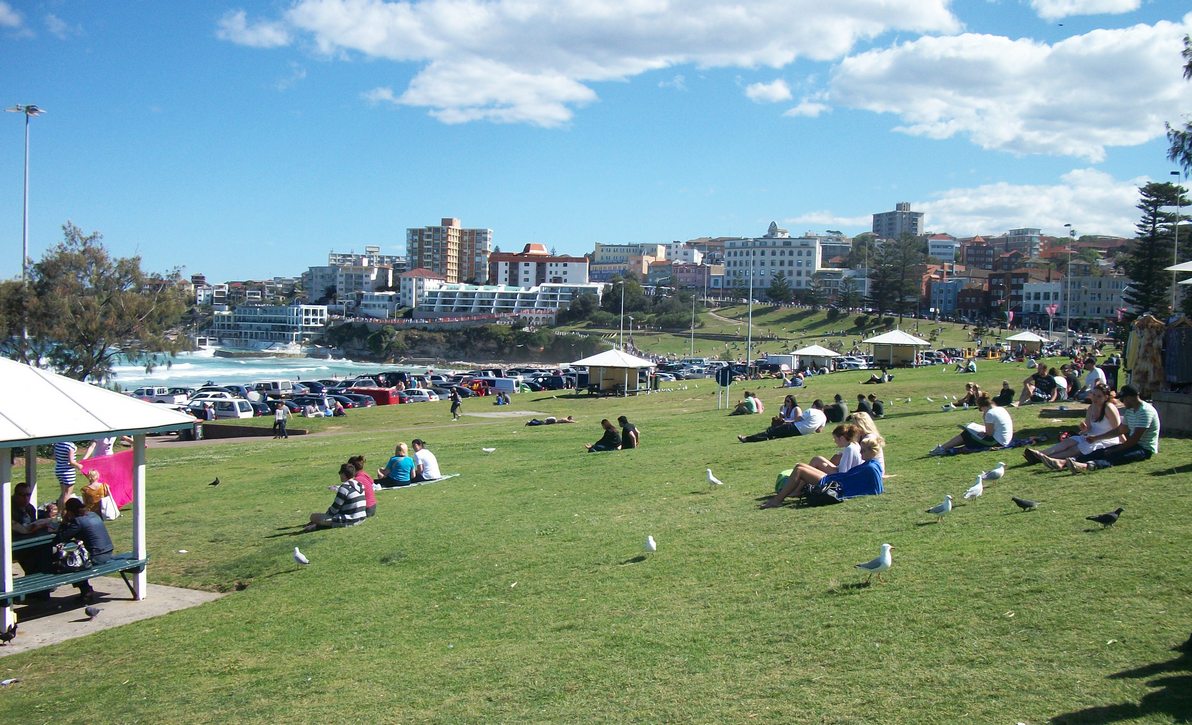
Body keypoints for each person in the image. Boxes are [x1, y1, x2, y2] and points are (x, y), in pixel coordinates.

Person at [1033, 384, 1159, 473]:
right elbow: (1120, 430)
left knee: (1113, 457)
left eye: (1124, 399)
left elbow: (1135, 439)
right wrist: (1097, 438)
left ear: (1131, 397)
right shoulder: (1131, 411)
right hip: (1131, 445)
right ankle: (1065, 463)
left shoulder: (1145, 411)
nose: (1122, 401)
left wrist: (1117, 448)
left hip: (1144, 449)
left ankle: (1086, 466)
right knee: (1100, 452)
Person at [761, 436, 885, 508]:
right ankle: (789, 493)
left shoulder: (870, 468)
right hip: (837, 480)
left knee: (799, 469)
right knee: (800, 465)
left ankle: (777, 500)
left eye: (863, 451)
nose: (860, 453)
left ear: (871, 452)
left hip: (834, 485)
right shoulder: (872, 464)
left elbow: (873, 489)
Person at [1025, 383, 1122, 465]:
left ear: (1106, 397)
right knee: (1067, 442)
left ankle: (1042, 458)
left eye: (1099, 396)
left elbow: (1118, 430)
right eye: (1094, 395)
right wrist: (1084, 429)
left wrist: (1123, 444)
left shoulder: (1109, 408)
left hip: (1106, 440)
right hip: (1091, 437)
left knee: (1074, 449)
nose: (1095, 398)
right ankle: (1039, 454)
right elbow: (1088, 428)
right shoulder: (1091, 408)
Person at [55, 497, 115, 603]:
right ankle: (86, 589)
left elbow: (61, 537)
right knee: (77, 559)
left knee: (72, 564)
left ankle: (86, 590)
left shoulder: (77, 521)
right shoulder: (93, 515)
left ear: (69, 511)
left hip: (97, 556)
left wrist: (64, 522)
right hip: (108, 551)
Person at [930, 394, 1013, 455]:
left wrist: (984, 418)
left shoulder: (989, 414)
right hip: (1005, 438)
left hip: (998, 441)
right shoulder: (1000, 409)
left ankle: (942, 448)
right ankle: (944, 448)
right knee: (970, 435)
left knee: (966, 434)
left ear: (982, 407)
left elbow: (989, 433)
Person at [11, 482, 56, 579]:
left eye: (28, 495)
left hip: (30, 542)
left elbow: (33, 525)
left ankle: (44, 579)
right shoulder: (9, 509)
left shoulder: (30, 508)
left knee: (47, 549)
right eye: (22, 495)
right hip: (15, 546)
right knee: (35, 556)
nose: (26, 498)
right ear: (15, 495)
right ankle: (39, 581)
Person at [306, 463, 367, 531]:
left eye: (340, 472)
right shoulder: (360, 485)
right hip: (361, 517)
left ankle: (317, 526)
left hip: (350, 519)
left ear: (344, 474)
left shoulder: (344, 488)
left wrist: (325, 516)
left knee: (313, 517)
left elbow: (334, 509)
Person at [738, 399, 826, 443]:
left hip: (795, 427)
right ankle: (754, 438)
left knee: (770, 431)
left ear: (814, 405)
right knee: (775, 434)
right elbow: (819, 430)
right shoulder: (824, 417)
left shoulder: (811, 410)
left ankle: (747, 438)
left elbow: (798, 419)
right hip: (801, 433)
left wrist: (785, 421)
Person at [53, 439, 82, 510]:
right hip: (68, 471)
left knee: (63, 493)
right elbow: (71, 461)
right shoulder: (70, 446)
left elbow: (54, 457)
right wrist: (79, 466)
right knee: (67, 494)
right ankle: (64, 513)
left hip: (59, 469)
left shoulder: (57, 443)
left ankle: (59, 512)